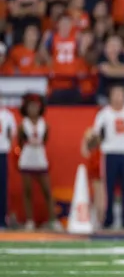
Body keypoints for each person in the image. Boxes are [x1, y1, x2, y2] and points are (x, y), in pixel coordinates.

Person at [92, 85, 124, 229]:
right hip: (111, 152)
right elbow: (96, 133)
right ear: (110, 96)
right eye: (116, 94)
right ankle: (109, 219)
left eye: (121, 94)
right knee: (109, 188)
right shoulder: (104, 113)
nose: (119, 97)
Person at [18, 93, 62, 231]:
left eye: (36, 107)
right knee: (27, 191)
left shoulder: (44, 124)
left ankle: (53, 220)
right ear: (26, 108)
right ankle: (30, 221)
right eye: (30, 107)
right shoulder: (22, 124)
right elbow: (19, 142)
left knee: (47, 191)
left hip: (40, 159)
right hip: (27, 159)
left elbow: (45, 140)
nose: (33, 109)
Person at [0, 102, 16, 230]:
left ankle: (2, 219)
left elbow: (12, 134)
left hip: (2, 152)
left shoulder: (7, 115)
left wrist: (8, 145)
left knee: (2, 187)